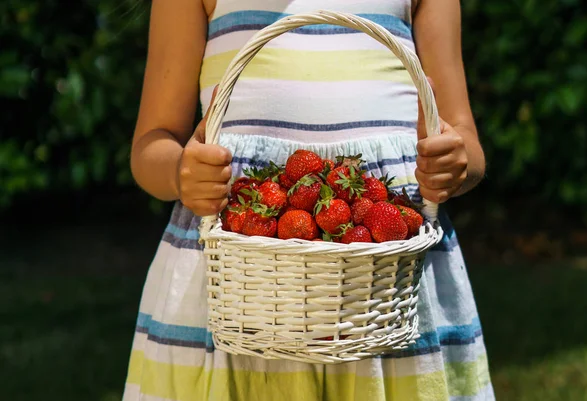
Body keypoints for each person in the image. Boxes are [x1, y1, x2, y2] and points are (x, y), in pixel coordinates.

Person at [125, 0, 493, 400]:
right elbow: (151, 145)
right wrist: (182, 173)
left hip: (386, 282)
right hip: (237, 275)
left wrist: (454, 163)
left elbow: (466, 145)